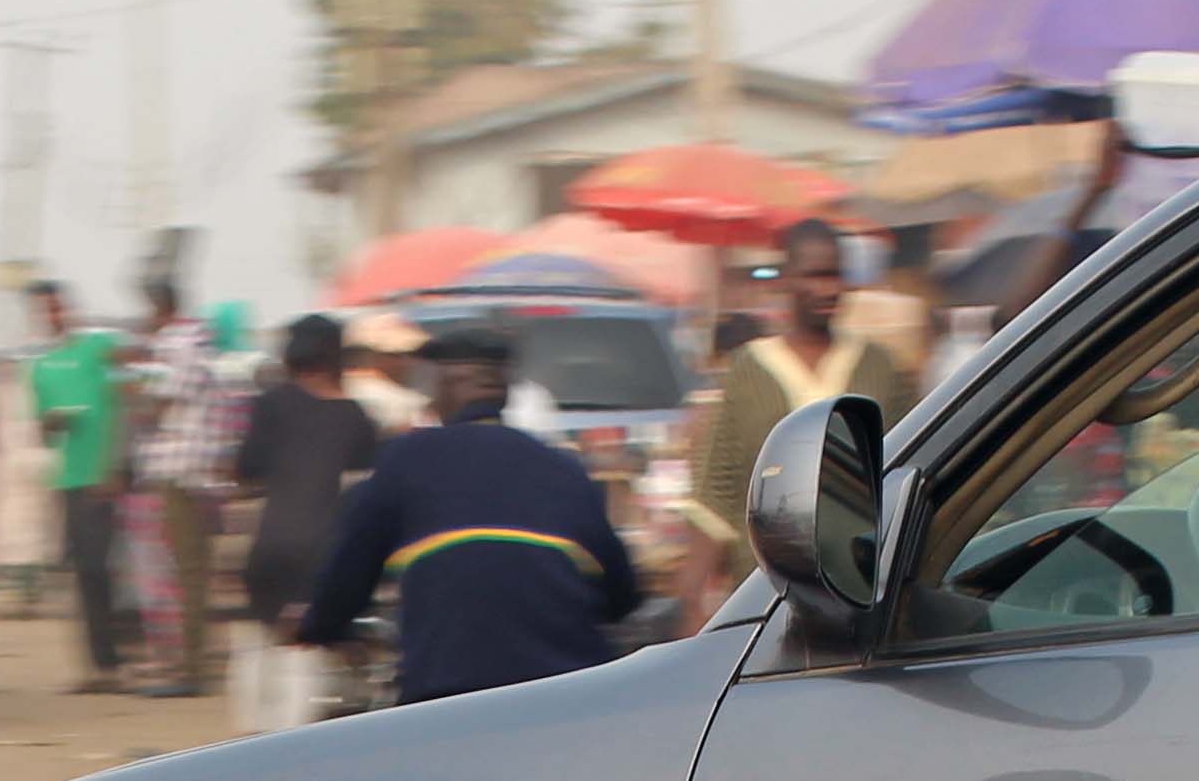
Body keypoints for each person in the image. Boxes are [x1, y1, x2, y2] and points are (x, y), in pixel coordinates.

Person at [297, 323, 644, 706]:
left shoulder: (407, 459)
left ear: (443, 389)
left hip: (448, 695)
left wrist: (320, 625)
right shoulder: (564, 467)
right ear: (506, 392)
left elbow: (348, 572)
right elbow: (622, 595)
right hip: (570, 695)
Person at [683, 218, 925, 621]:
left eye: (836, 275)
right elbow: (716, 496)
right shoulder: (748, 371)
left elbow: (911, 472)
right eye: (815, 276)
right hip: (765, 599)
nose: (829, 289)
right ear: (788, 280)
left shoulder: (880, 369)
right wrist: (693, 601)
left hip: (865, 593)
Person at [228, 313, 380, 732]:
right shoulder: (356, 417)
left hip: (271, 542)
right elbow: (362, 492)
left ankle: (248, 739)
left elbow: (246, 469)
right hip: (323, 547)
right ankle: (290, 742)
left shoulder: (270, 402)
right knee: (305, 649)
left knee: (260, 641)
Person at [125, 272, 232, 697]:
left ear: (157, 306)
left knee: (185, 573)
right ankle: (191, 661)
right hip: (196, 468)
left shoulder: (178, 342)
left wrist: (134, 400)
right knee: (191, 572)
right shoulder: (198, 339)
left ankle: (189, 669)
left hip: (179, 469)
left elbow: (161, 403)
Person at [26, 278, 131, 692]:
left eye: (56, 308)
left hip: (102, 478)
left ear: (67, 308)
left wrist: (114, 464)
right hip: (69, 479)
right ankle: (98, 666)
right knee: (85, 574)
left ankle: (115, 661)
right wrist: (51, 423)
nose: (52, 316)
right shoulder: (38, 369)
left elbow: (125, 399)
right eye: (44, 311)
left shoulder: (98, 348)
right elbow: (44, 434)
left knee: (105, 571)